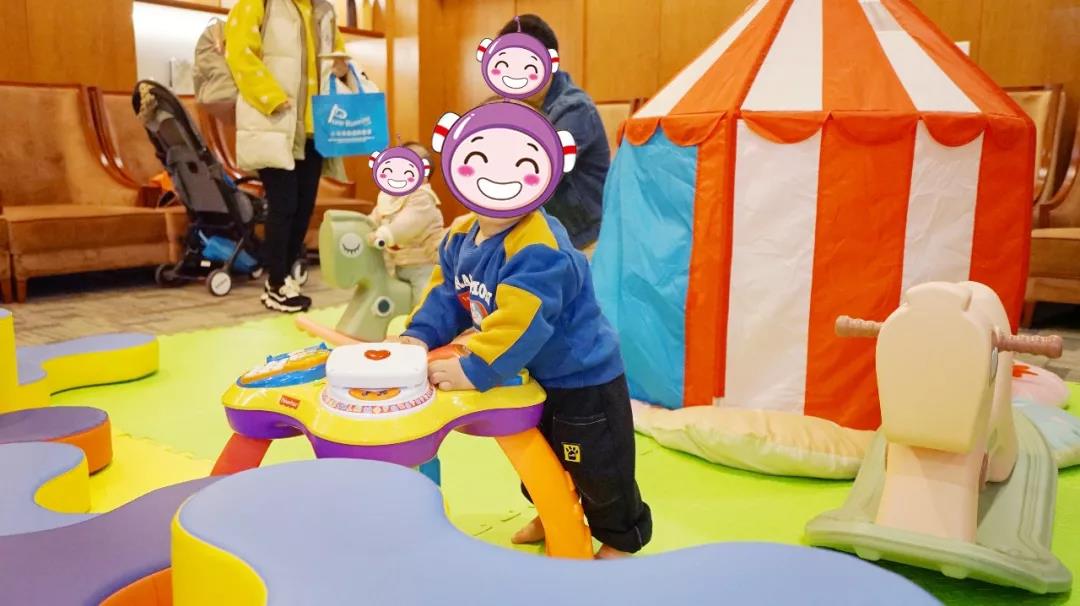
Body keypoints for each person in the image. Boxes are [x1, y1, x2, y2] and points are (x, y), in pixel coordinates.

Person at [391, 101, 651, 558]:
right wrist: (421, 335)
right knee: (543, 456)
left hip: (582, 377)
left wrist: (475, 367)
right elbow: (447, 294)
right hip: (533, 373)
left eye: (521, 165)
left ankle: (620, 539)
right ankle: (554, 512)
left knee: (597, 465)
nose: (499, 178)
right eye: (479, 160)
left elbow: (523, 318)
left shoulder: (539, 246)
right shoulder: (460, 235)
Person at [225, 0, 365, 312]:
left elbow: (339, 58)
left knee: (303, 207)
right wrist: (272, 98)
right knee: (283, 204)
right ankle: (275, 282)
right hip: (276, 122)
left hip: (316, 126)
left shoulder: (324, 10)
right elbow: (239, 53)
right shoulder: (259, 3)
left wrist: (343, 71)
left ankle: (285, 276)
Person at [494, 14, 609, 254]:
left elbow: (536, 173)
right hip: (545, 238)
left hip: (583, 242)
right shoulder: (522, 107)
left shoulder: (575, 109)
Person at [367, 142, 445, 304]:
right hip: (398, 264)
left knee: (424, 301)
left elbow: (407, 224)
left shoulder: (422, 197)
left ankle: (427, 318)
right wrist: (365, 227)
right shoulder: (390, 197)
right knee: (398, 300)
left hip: (425, 264)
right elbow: (377, 216)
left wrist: (384, 234)